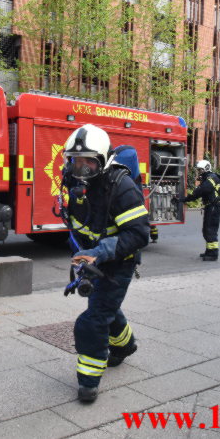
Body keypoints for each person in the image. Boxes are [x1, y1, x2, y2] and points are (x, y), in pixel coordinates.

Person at [61, 124, 149, 403]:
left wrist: (100, 252)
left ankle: (88, 382)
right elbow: (78, 224)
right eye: (76, 160)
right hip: (92, 259)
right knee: (105, 306)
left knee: (93, 320)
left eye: (88, 160)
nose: (81, 167)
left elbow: (138, 233)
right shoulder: (74, 183)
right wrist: (80, 257)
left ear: (103, 159)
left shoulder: (121, 187)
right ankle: (125, 345)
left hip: (118, 262)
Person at [173, 160, 220, 261]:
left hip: (213, 207)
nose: (199, 172)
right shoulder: (208, 178)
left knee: (210, 230)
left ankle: (213, 254)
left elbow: (198, 192)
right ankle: (209, 251)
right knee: (206, 230)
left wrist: (182, 200)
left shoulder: (210, 179)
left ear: (206, 169)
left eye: (200, 170)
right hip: (210, 207)